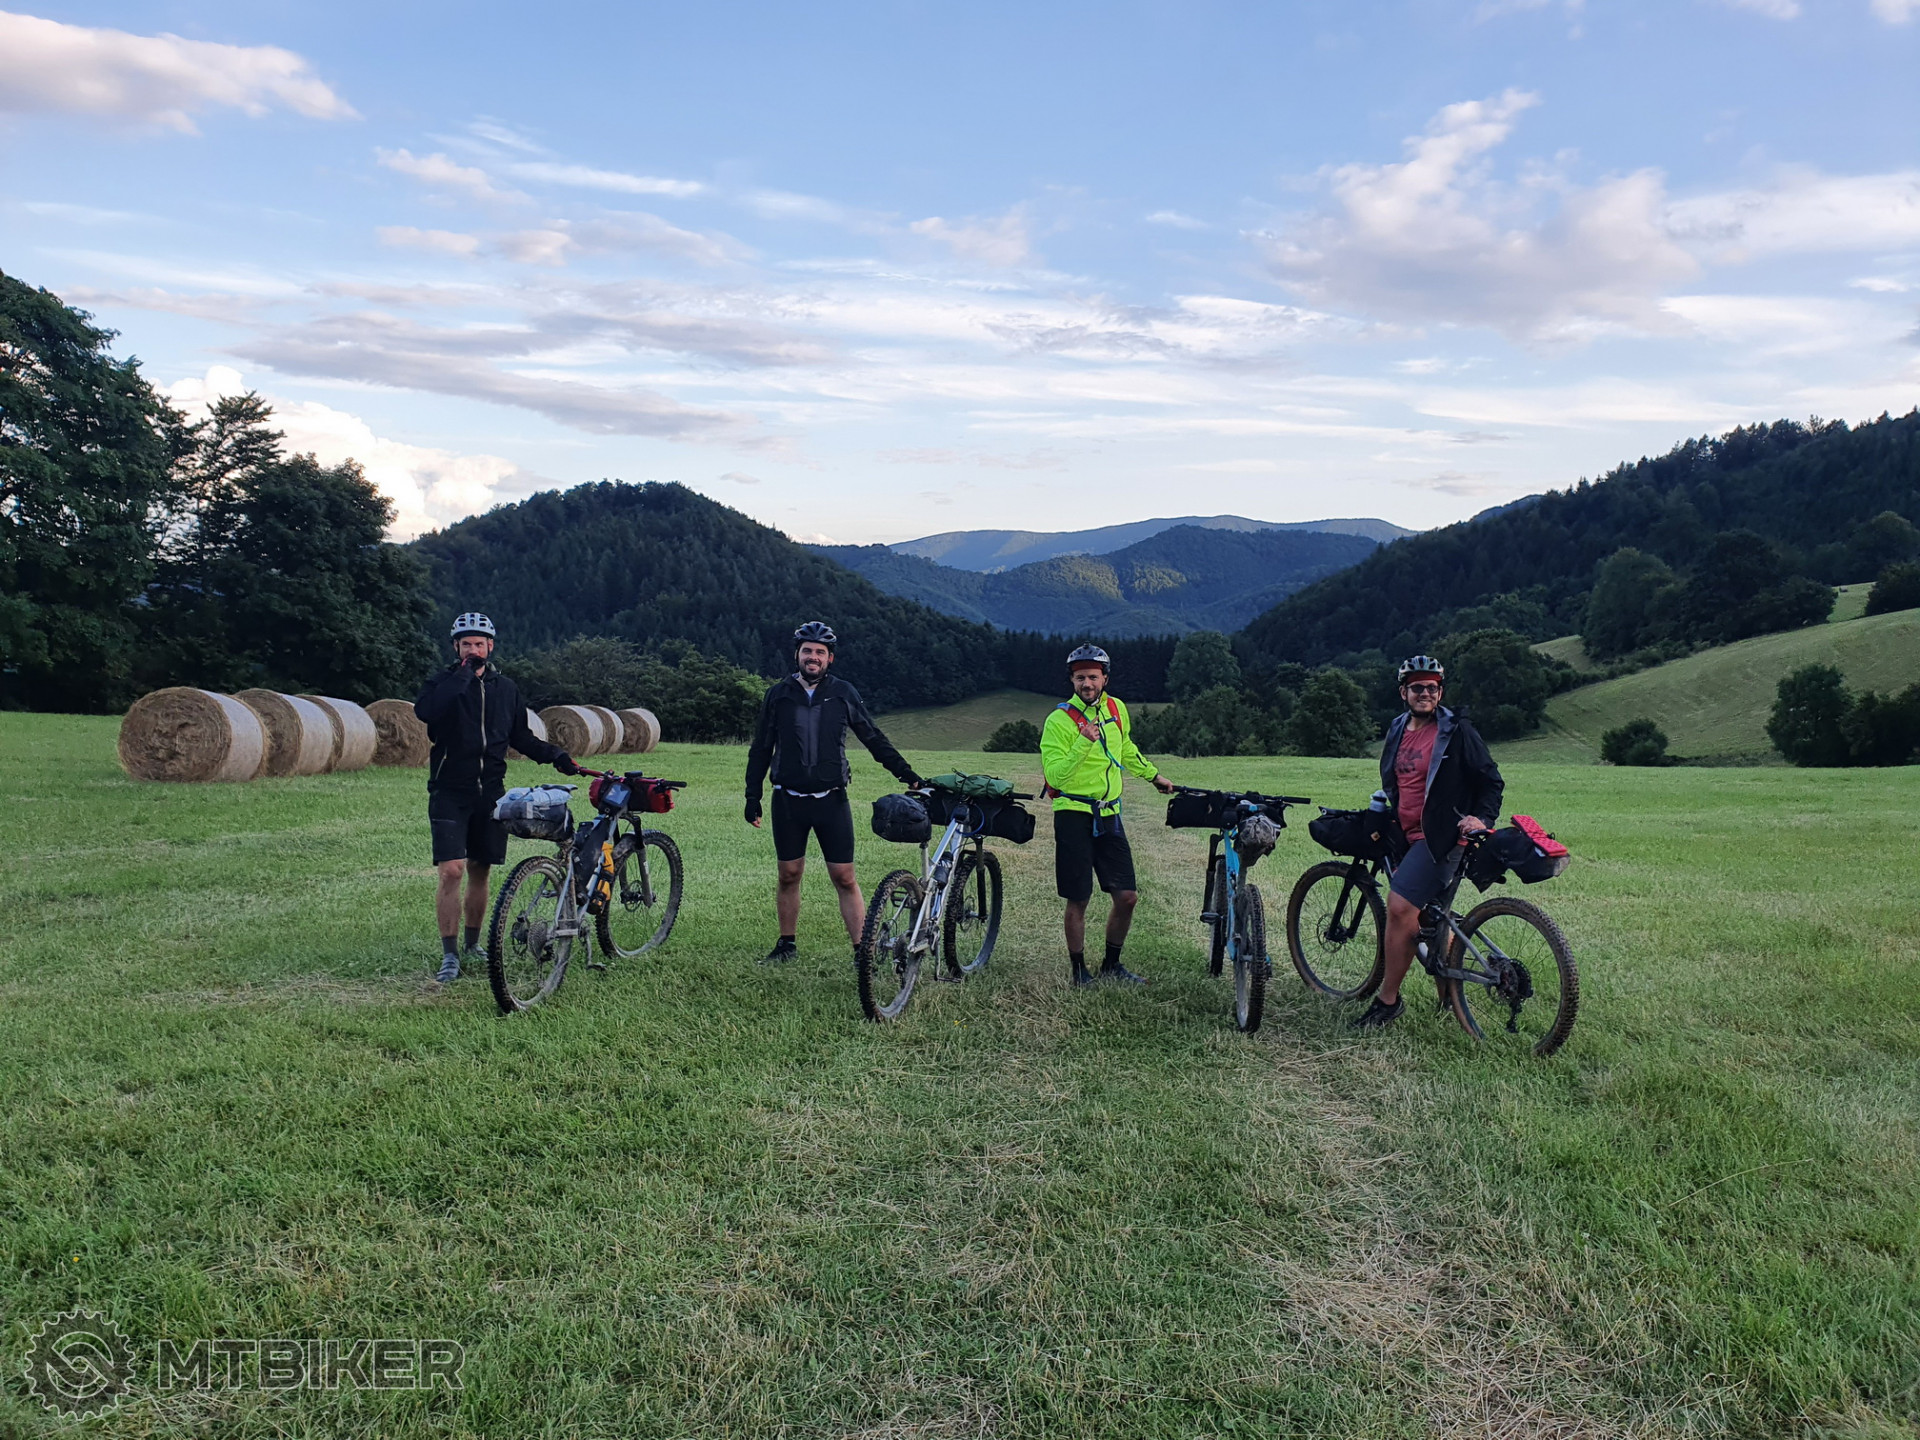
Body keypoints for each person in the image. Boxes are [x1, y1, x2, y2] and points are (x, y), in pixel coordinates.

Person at [413, 613, 578, 983]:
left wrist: (556, 755)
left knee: (480, 868)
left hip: (490, 793)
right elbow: (427, 712)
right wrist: (463, 677)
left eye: (479, 643)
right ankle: (450, 954)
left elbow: (520, 736)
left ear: (490, 646)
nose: (473, 649)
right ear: (456, 647)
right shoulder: (442, 683)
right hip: (449, 790)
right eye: (466, 644)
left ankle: (473, 944)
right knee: (451, 870)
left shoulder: (506, 689)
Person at [744, 621, 921, 965]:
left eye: (820, 652)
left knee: (844, 877)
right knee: (789, 874)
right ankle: (786, 945)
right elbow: (761, 747)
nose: (813, 657)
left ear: (830, 658)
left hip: (832, 799)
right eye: (807, 651)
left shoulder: (843, 693)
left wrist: (906, 773)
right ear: (797, 655)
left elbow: (872, 737)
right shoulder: (778, 694)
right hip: (787, 800)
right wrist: (753, 796)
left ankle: (862, 951)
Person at [1351, 655, 1504, 1029]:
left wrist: (1481, 819)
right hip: (1406, 833)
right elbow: (1399, 782)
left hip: (1442, 838)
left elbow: (1491, 781)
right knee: (1428, 915)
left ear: (1440, 692)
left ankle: (1388, 1001)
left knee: (1400, 906)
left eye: (1432, 687)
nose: (1425, 693)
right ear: (1403, 692)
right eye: (1417, 687)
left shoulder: (1456, 731)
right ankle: (1450, 997)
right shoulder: (1397, 728)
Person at [1040, 644, 1176, 987]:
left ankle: (1112, 965)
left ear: (1105, 679)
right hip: (1073, 813)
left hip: (1109, 813)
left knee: (1127, 897)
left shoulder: (1116, 708)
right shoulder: (1058, 721)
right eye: (1080, 678)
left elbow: (1125, 747)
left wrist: (1153, 776)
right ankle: (1079, 971)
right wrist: (1083, 741)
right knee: (1079, 897)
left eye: (1093, 677)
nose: (1087, 683)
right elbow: (1055, 777)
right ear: (1072, 681)